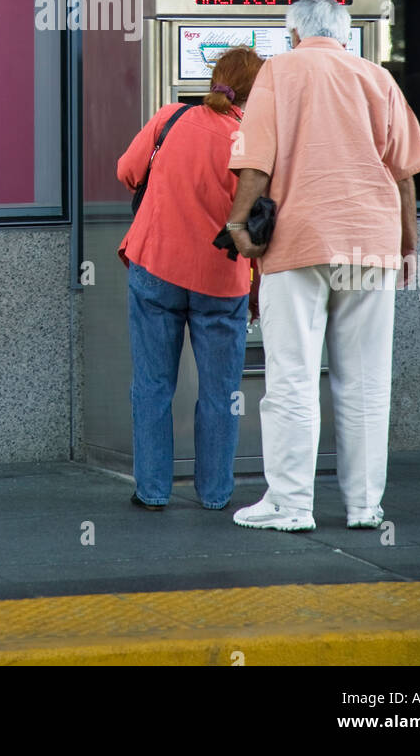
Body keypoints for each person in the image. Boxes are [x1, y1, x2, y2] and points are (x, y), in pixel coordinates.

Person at [227, 0, 420, 532]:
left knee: (292, 378)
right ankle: (365, 505)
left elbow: (255, 164)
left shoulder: (278, 73)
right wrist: (406, 246)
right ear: (345, 34)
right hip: (371, 243)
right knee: (366, 381)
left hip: (300, 244)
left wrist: (235, 224)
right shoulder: (378, 78)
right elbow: (405, 175)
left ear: (293, 33)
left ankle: (291, 505)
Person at [116, 46, 264, 511]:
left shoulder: (170, 118)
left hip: (156, 266)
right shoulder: (252, 140)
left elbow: (126, 171)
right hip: (221, 279)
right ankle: (216, 494)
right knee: (220, 391)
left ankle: (153, 491)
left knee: (153, 384)